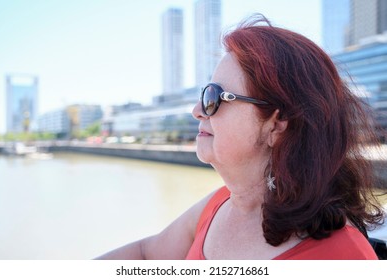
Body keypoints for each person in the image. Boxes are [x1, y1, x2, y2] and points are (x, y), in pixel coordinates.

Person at [96, 14, 385, 260]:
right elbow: (148, 254)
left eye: (214, 97)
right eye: (203, 94)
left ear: (276, 123)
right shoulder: (220, 203)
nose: (198, 111)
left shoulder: (345, 257)